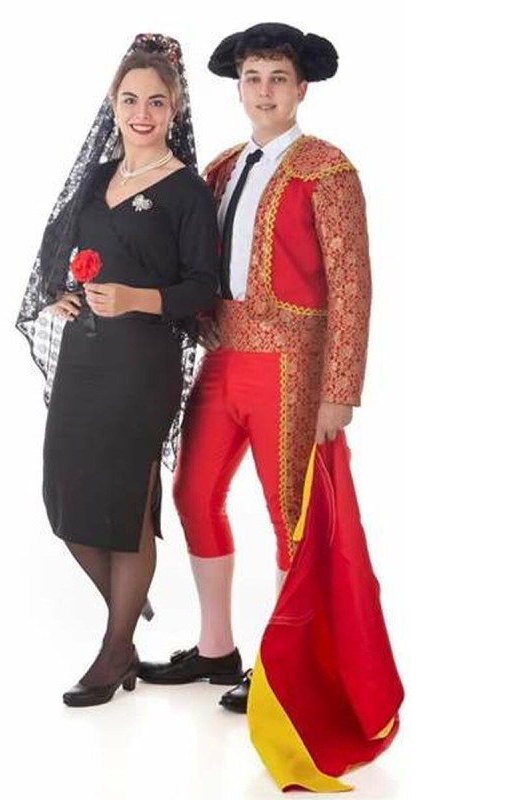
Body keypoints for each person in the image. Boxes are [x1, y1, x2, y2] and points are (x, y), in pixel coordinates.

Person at [138, 23, 372, 713]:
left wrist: (339, 389)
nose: (264, 92)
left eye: (277, 79)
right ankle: (217, 648)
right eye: (252, 79)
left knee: (288, 514)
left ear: (302, 89)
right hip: (224, 356)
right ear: (238, 88)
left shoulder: (327, 170)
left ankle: (285, 666)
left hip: (292, 364)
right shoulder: (219, 168)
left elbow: (352, 285)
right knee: (193, 493)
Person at [16, 34, 219, 708]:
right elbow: (56, 246)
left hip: (143, 365)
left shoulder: (187, 191)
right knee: (65, 499)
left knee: (128, 504)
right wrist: (58, 292)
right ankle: (126, 612)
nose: (142, 113)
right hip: (85, 358)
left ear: (174, 108)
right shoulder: (98, 176)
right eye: (130, 100)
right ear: (113, 103)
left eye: (156, 102)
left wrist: (136, 298)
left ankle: (114, 650)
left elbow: (203, 290)